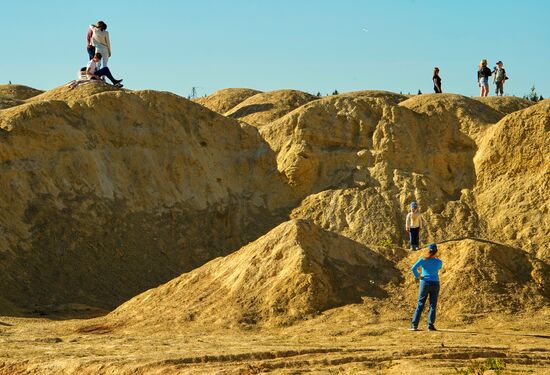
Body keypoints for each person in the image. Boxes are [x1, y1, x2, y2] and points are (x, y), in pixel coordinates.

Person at [410, 243, 442, 331]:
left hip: (425, 282)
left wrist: (418, 276)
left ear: (428, 250)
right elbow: (439, 267)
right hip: (435, 283)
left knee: (420, 304)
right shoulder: (439, 262)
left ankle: (414, 325)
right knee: (433, 305)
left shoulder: (423, 260)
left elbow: (413, 268)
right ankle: (430, 325)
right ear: (436, 251)